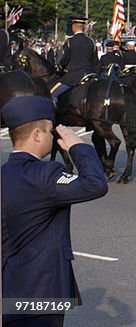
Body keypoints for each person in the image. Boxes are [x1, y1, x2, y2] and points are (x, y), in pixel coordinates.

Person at [2, 96, 109, 326]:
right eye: (50, 131)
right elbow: (95, 184)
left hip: (9, 290)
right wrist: (77, 145)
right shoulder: (45, 175)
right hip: (42, 292)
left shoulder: (4, 174)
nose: (53, 137)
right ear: (37, 134)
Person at [50, 16, 98, 103]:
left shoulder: (70, 41)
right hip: (90, 76)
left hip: (74, 77)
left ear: (74, 27)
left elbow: (65, 60)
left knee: (52, 94)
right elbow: (95, 61)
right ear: (84, 28)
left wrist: (59, 68)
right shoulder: (91, 42)